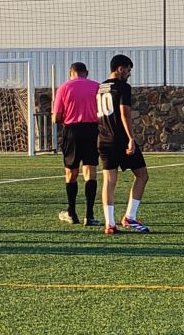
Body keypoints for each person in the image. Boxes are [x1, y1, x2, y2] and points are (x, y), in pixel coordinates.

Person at [96, 54, 151, 235]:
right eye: (128, 69)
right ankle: (130, 216)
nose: (129, 74)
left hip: (103, 138)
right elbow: (124, 114)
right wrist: (130, 138)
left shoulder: (101, 87)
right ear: (120, 68)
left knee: (109, 180)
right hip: (119, 138)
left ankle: (110, 223)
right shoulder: (123, 87)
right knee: (142, 175)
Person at [52, 61, 102, 225]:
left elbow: (56, 118)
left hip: (72, 131)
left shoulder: (64, 88)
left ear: (70, 73)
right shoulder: (97, 87)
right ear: (86, 73)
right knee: (90, 172)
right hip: (92, 130)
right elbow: (102, 113)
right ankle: (90, 215)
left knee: (71, 173)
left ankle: (72, 213)